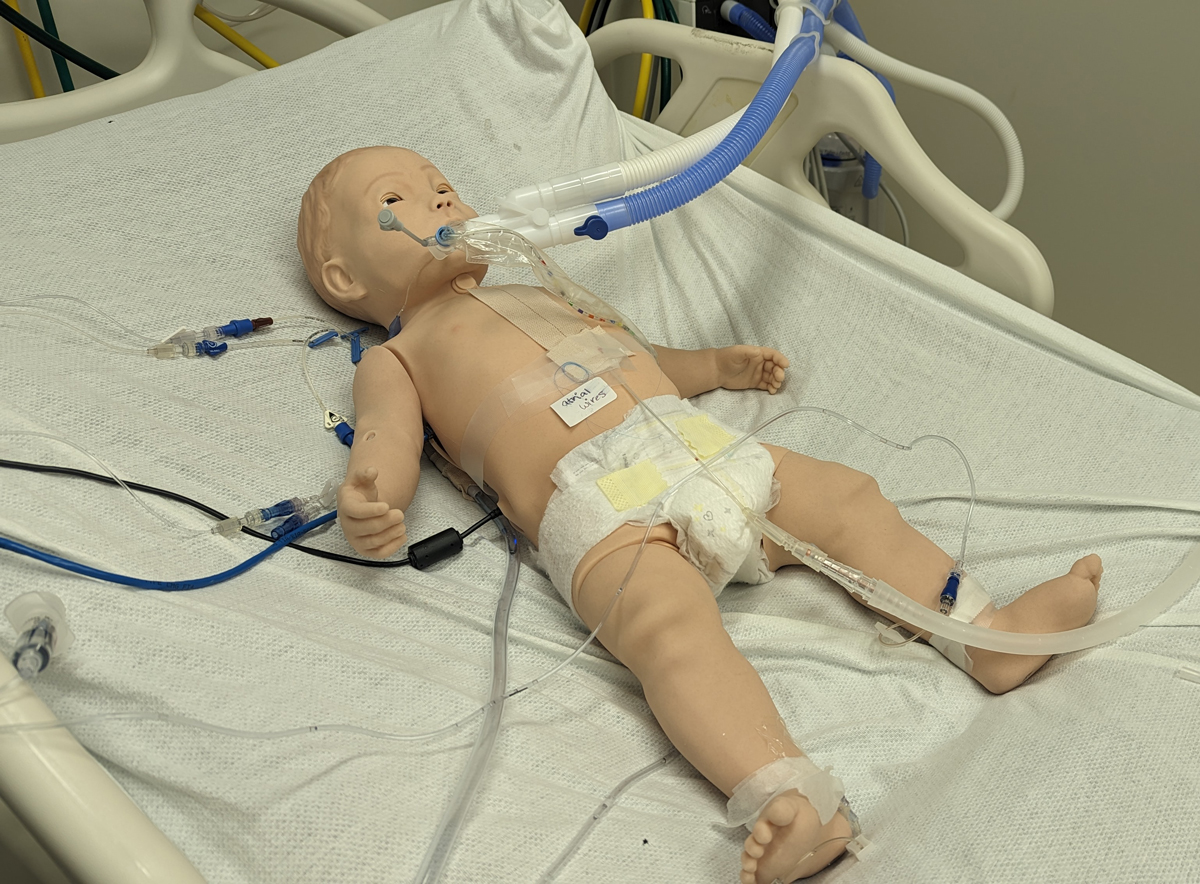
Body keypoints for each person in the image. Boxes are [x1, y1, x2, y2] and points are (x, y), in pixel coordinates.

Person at [298, 145, 1102, 883]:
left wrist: (715, 365)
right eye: (398, 200)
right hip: (598, 512)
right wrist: (372, 493)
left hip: (695, 444)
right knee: (668, 633)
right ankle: (795, 798)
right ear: (343, 278)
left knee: (847, 499)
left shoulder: (533, 288)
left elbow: (635, 358)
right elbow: (386, 438)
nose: (442, 203)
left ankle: (986, 634)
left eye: (444, 186)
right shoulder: (397, 357)